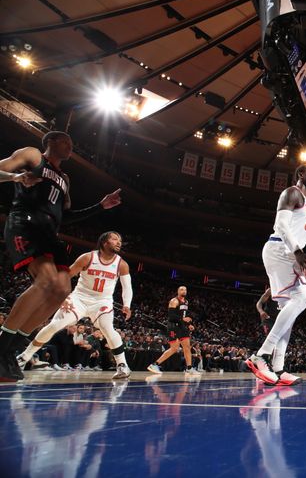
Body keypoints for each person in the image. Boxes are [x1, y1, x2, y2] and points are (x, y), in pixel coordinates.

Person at [0, 131, 121, 381]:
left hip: (50, 233)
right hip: (26, 222)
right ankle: (2, 347)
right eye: (66, 141)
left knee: (61, 290)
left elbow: (65, 217)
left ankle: (11, 349)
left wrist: (100, 206)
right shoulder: (32, 155)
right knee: (45, 282)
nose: (71, 145)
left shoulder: (65, 178)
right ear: (50, 142)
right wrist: (15, 176)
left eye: (72, 142)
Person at [16, 231, 133, 380]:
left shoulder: (121, 264)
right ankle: (24, 357)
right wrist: (62, 296)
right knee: (55, 325)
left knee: (107, 328)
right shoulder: (88, 257)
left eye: (120, 240)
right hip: (79, 298)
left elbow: (127, 287)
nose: (119, 242)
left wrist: (127, 305)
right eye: (115, 239)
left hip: (102, 301)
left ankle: (122, 365)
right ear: (105, 242)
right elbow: (66, 275)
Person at [246, 164, 306, 386]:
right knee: (302, 299)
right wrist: (298, 253)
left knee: (290, 310)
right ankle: (261, 355)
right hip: (281, 250)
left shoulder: (305, 202)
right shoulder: (292, 193)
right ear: (300, 174)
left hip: (288, 253)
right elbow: (281, 224)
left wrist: (302, 261)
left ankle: (278, 368)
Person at [147, 286, 197, 374]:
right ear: (178, 291)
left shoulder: (186, 302)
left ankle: (189, 368)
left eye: (185, 289)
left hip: (182, 326)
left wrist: (189, 324)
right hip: (173, 326)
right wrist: (183, 320)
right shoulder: (174, 301)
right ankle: (154, 364)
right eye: (182, 289)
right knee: (174, 348)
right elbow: (171, 316)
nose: (184, 291)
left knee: (187, 347)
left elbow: (183, 315)